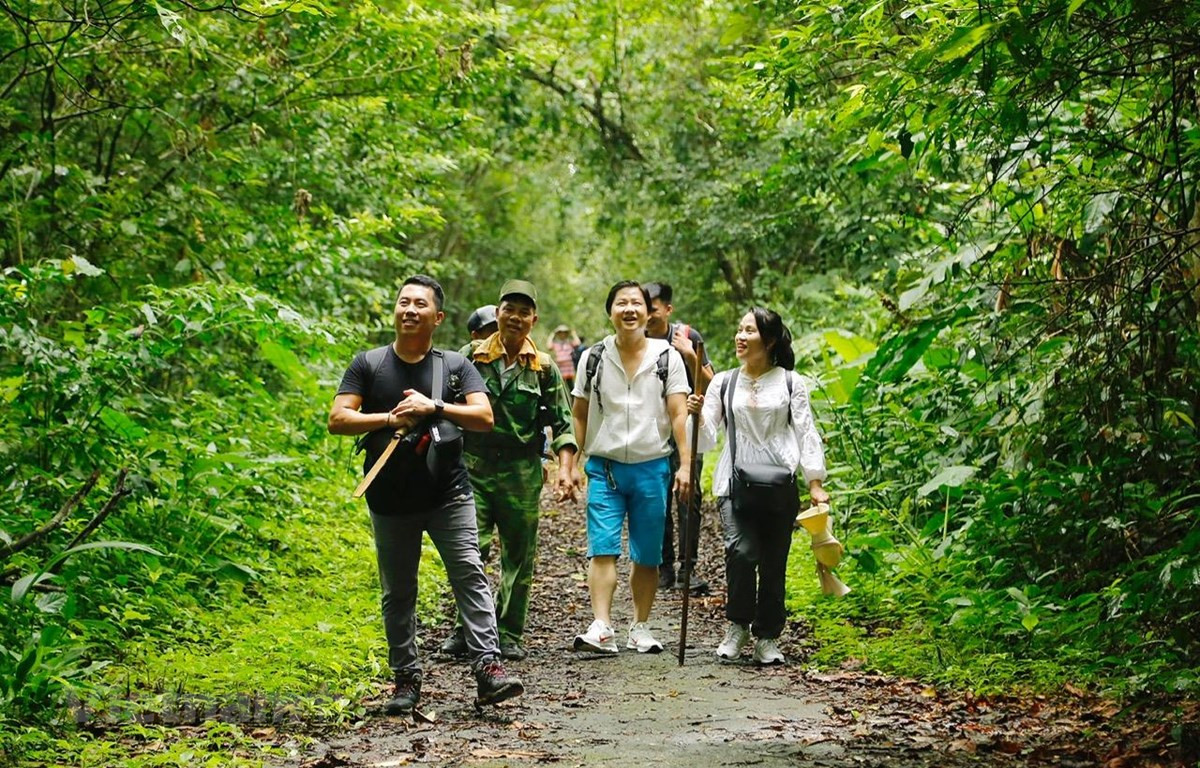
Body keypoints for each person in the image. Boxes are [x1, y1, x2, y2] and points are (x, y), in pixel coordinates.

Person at [328, 275, 524, 715]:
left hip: (448, 493)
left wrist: (433, 407)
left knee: (469, 573)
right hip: (389, 497)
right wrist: (388, 418)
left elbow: (483, 416)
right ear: (394, 310)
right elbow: (338, 418)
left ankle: (489, 669)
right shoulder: (369, 363)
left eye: (420, 304)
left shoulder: (454, 365)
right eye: (403, 302)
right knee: (398, 590)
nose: (409, 310)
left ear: (437, 317)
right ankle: (406, 677)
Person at [440, 279, 579, 661]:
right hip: (473, 468)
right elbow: (443, 406)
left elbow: (563, 424)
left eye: (523, 312)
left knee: (519, 556)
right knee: (471, 551)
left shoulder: (544, 368)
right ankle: (464, 628)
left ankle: (509, 631)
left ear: (533, 319)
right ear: (497, 313)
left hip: (521, 472)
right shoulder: (470, 356)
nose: (515, 318)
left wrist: (567, 469)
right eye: (508, 309)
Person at [687, 307, 829, 665]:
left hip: (780, 483)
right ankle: (737, 626)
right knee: (741, 550)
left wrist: (815, 482)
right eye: (739, 329)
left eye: (748, 330)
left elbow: (805, 431)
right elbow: (705, 439)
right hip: (734, 481)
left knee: (773, 560)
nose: (740, 336)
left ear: (767, 340)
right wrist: (695, 414)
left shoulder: (791, 382)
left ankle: (767, 637)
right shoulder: (724, 382)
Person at [571, 281, 692, 655]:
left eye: (636, 303)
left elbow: (678, 412)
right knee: (602, 549)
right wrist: (573, 461)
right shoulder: (592, 357)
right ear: (610, 311)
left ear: (648, 311)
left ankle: (640, 626)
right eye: (621, 303)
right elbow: (579, 413)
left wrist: (686, 464)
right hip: (605, 467)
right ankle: (602, 625)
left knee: (647, 553)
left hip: (652, 465)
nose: (629, 310)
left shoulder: (667, 357)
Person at [643, 281, 715, 594]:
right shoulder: (637, 340)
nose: (647, 316)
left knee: (689, 498)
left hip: (686, 429)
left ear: (668, 310)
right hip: (651, 431)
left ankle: (688, 568)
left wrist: (689, 355)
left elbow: (711, 383)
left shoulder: (687, 336)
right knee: (657, 498)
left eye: (654, 310)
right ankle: (664, 568)